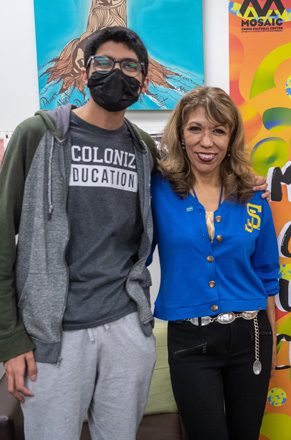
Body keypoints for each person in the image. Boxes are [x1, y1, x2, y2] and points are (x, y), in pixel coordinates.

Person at [0, 26, 160, 439]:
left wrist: (241, 182)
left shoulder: (144, 149)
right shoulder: (36, 135)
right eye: (104, 62)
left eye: (129, 66)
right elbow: (1, 240)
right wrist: (11, 340)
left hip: (125, 326)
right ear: (84, 69)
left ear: (143, 79)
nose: (116, 73)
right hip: (53, 335)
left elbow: (192, 187)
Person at [151, 86, 279, 439]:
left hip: (251, 335)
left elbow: (268, 274)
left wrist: (271, 343)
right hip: (189, 339)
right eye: (195, 129)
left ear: (231, 137)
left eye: (218, 130)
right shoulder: (157, 190)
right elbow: (136, 254)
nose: (207, 142)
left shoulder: (252, 195)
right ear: (180, 133)